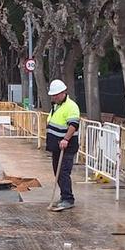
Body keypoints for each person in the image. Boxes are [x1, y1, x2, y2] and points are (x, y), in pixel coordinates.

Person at [45, 79, 80, 212]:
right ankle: (63, 196)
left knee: (63, 172)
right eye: (53, 95)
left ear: (63, 92)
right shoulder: (56, 106)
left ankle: (68, 199)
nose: (54, 97)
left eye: (56, 95)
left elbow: (73, 125)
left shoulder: (71, 106)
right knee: (57, 172)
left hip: (66, 146)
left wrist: (66, 139)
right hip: (56, 147)